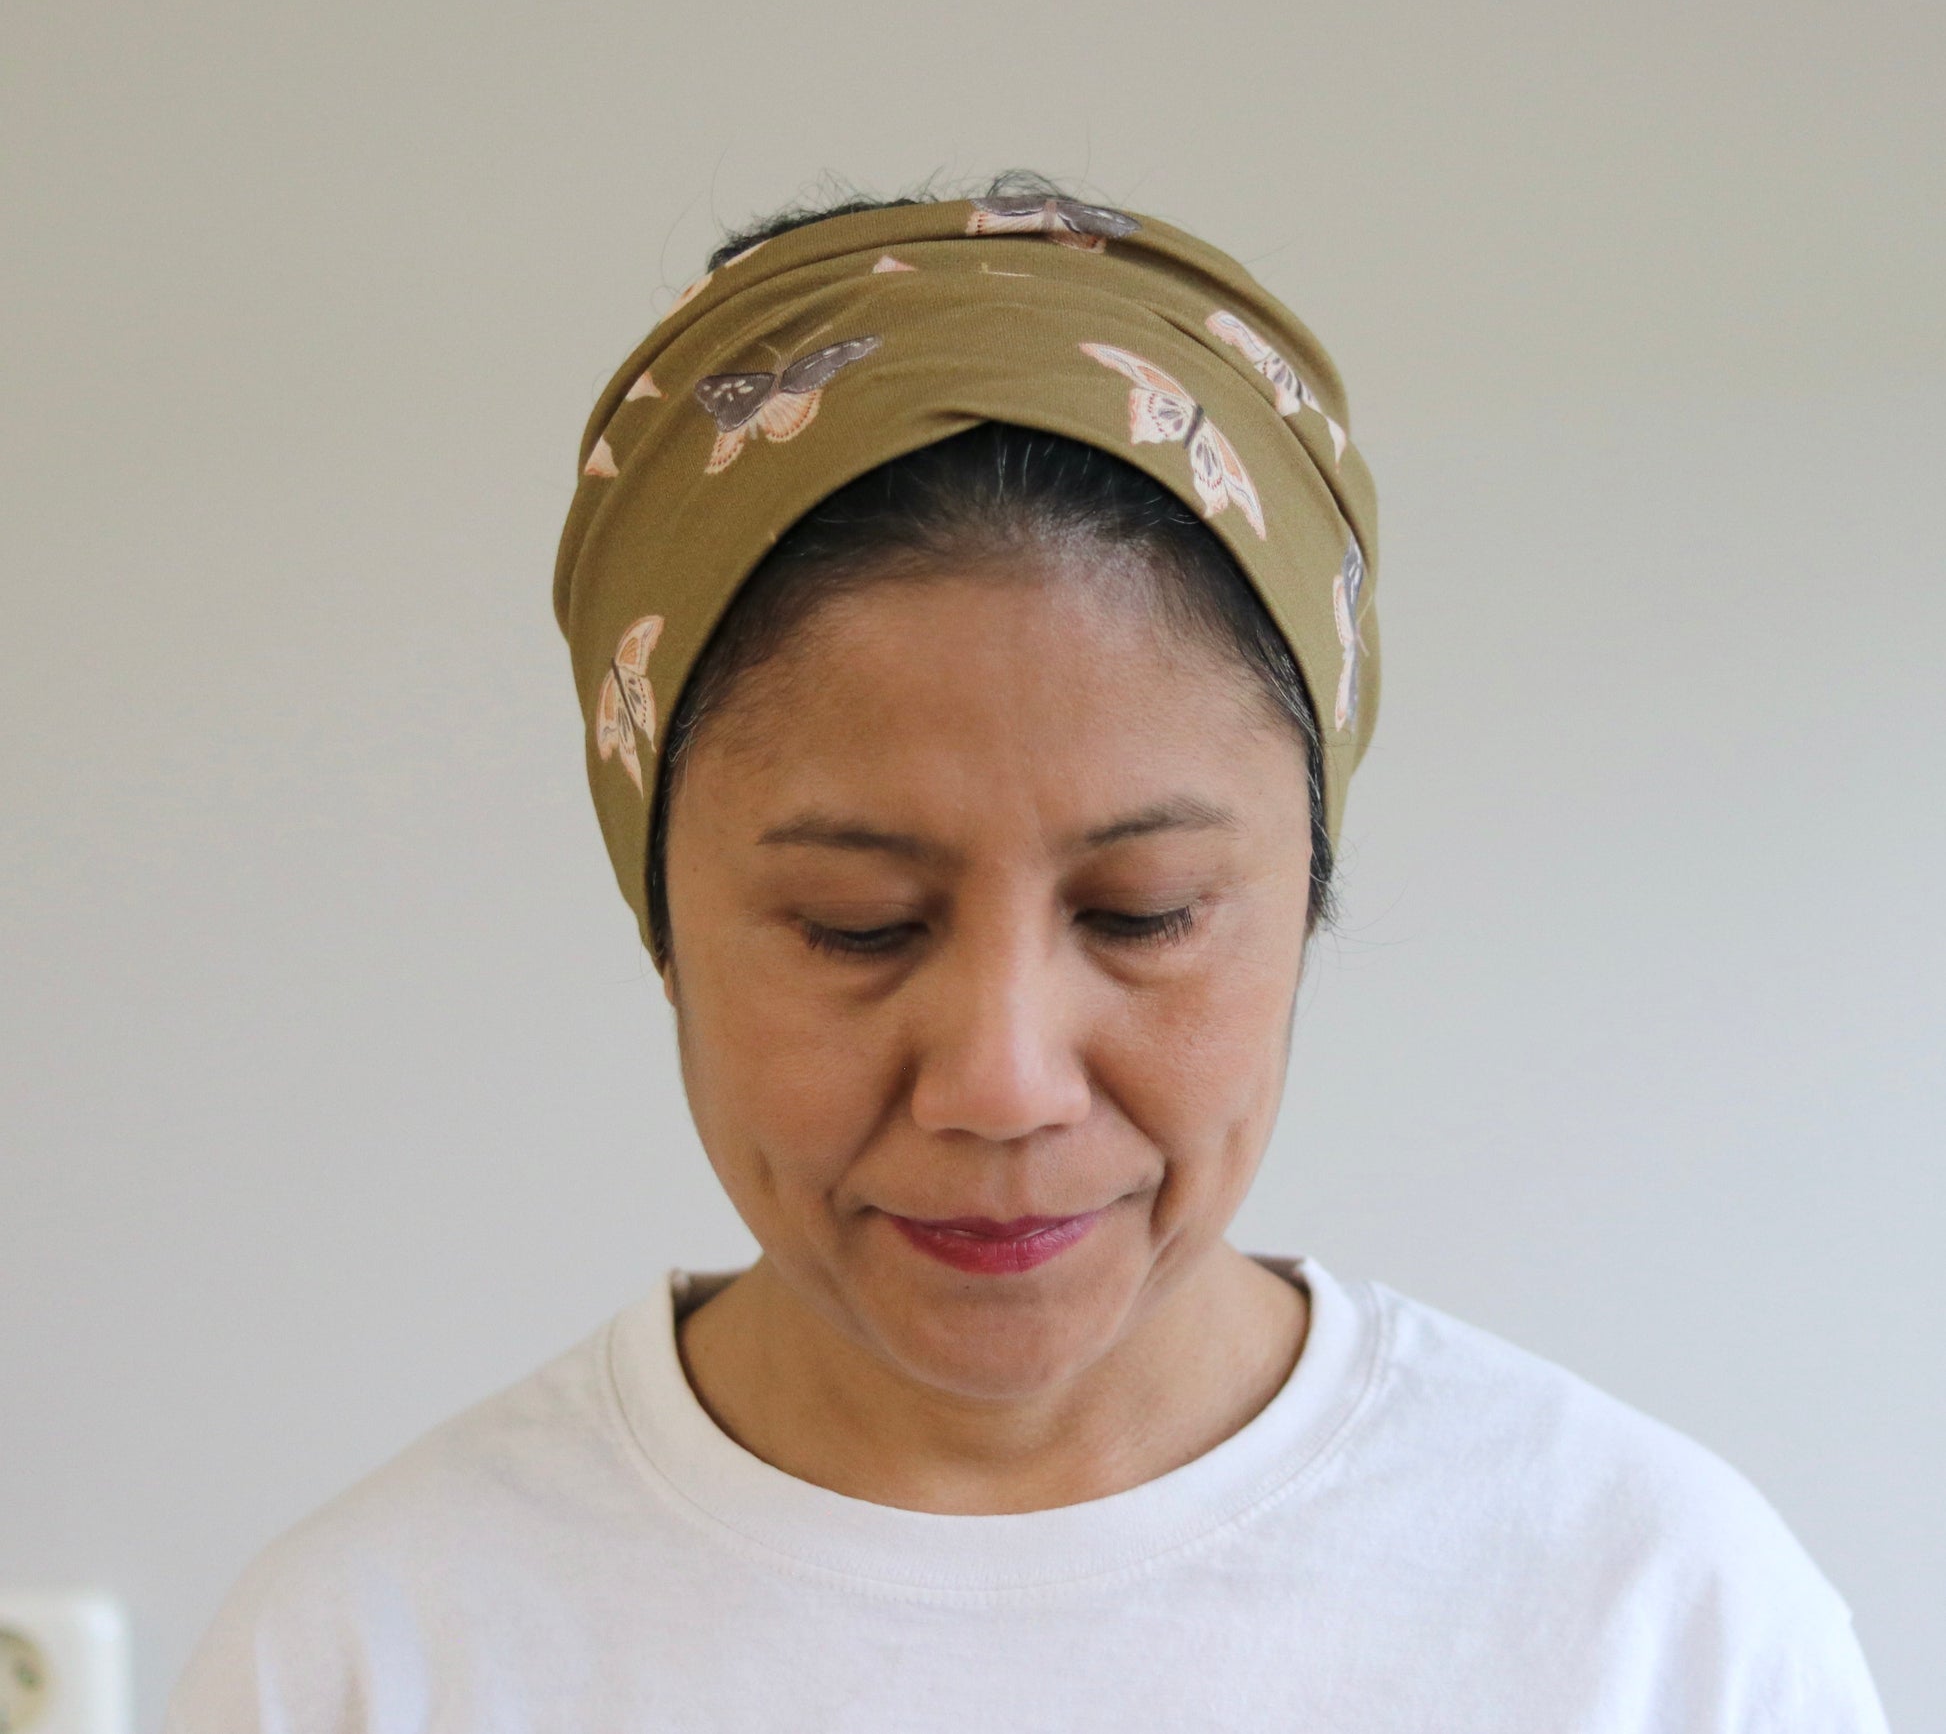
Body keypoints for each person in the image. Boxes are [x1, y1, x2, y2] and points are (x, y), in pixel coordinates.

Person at [166, 177, 1889, 1731]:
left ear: (1305, 896)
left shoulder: (1648, 1628)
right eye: (859, 924)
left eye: (1141, 913)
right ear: (663, 916)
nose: (1000, 1080)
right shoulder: (377, 1657)